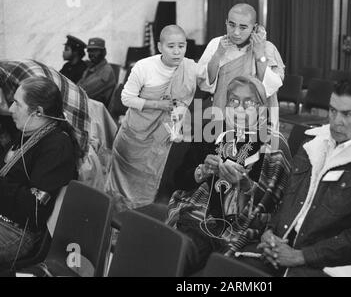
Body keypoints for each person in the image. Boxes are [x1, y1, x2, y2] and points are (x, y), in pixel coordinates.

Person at [247, 80, 351, 277]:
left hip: (324, 263)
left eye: (347, 114)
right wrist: (270, 232)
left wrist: (301, 256)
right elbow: (287, 199)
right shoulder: (313, 143)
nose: (336, 121)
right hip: (279, 249)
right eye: (332, 110)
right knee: (224, 270)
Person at [166, 75, 292, 274]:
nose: (239, 109)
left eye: (248, 103)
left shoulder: (274, 146)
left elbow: (275, 208)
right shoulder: (212, 130)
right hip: (200, 216)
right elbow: (178, 179)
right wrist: (202, 171)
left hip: (244, 229)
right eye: (233, 101)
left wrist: (244, 185)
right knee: (174, 260)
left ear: (262, 107)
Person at [106, 25, 207, 210]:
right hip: (135, 136)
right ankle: (114, 224)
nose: (177, 52)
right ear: (160, 47)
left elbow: (210, 81)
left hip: (161, 138)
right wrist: (158, 105)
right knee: (121, 190)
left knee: (149, 186)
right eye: (171, 46)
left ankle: (140, 221)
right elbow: (126, 98)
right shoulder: (144, 67)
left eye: (181, 46)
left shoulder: (189, 67)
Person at [0, 77, 80, 267]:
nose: (10, 109)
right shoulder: (29, 132)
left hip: (18, 232)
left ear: (38, 112)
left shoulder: (57, 147)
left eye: (17, 104)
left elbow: (35, 211)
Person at [198, 3, 284, 118]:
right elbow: (205, 83)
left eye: (243, 27)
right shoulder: (216, 43)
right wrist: (218, 54)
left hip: (254, 113)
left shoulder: (267, 48)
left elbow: (270, 88)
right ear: (226, 22)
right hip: (223, 110)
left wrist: (259, 54)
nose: (236, 32)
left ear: (253, 28)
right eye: (231, 25)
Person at [77, 37, 116, 106]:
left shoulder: (106, 71)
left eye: (95, 51)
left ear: (103, 52)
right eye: (89, 51)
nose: (91, 54)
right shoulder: (91, 68)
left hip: (95, 111)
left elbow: (85, 92)